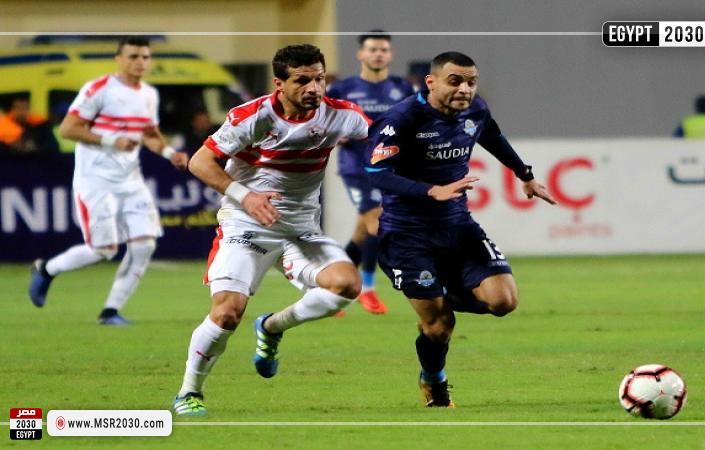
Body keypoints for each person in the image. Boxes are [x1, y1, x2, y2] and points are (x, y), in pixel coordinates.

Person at [172, 44, 370, 417]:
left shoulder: (342, 115)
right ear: (279, 83)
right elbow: (200, 162)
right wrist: (245, 197)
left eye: (319, 79)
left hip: (300, 230)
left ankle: (272, 327)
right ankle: (189, 392)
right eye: (302, 81)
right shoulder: (253, 117)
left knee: (347, 285)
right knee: (228, 313)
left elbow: (385, 140)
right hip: (246, 225)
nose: (314, 88)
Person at [366, 51, 556, 407]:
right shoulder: (402, 118)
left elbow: (492, 136)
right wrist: (430, 191)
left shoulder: (476, 110)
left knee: (504, 301)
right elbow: (376, 173)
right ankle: (434, 380)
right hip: (407, 236)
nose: (465, 89)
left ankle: (437, 293)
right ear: (431, 82)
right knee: (440, 326)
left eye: (471, 82)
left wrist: (525, 174)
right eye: (455, 81)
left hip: (458, 226)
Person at [27, 37, 189, 324]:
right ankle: (47, 269)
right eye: (133, 56)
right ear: (119, 59)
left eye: (145, 57)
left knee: (145, 244)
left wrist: (169, 153)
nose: (140, 62)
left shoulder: (149, 94)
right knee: (104, 250)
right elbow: (68, 129)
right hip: (95, 180)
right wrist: (111, 140)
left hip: (130, 180)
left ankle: (110, 311)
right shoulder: (99, 89)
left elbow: (150, 134)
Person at [326, 31, 415, 315]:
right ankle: (367, 289)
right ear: (361, 54)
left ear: (390, 55)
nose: (378, 54)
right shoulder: (342, 89)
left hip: (389, 167)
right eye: (373, 49)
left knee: (363, 234)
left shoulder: (402, 88)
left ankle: (328, 291)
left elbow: (414, 122)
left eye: (383, 50)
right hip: (356, 168)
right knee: (377, 222)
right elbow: (322, 119)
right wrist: (334, 134)